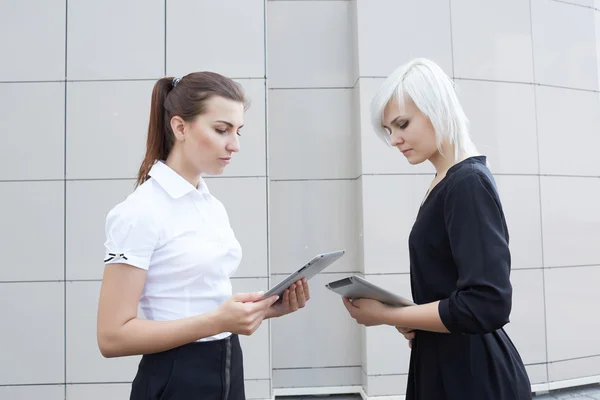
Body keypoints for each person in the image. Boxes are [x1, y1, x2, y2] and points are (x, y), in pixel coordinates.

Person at [96, 72, 310, 400]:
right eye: (221, 130)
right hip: (177, 377)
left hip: (226, 364)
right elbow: (112, 337)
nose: (234, 145)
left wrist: (264, 309)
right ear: (180, 127)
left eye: (238, 132)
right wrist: (216, 321)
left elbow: (199, 300)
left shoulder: (211, 206)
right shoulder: (139, 211)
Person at [340, 58, 532, 400]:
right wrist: (402, 309)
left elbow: (486, 304)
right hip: (446, 362)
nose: (395, 139)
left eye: (402, 124)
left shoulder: (467, 183)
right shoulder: (445, 181)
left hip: (472, 376)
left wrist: (387, 314)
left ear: (437, 108)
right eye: (389, 131)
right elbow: (451, 290)